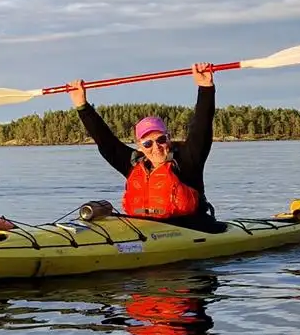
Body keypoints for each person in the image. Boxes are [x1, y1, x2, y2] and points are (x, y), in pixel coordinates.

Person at [69, 61, 220, 232]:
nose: (156, 147)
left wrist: (205, 87)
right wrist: (81, 105)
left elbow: (201, 126)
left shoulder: (187, 160)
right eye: (148, 143)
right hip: (144, 231)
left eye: (161, 139)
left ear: (169, 139)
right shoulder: (133, 163)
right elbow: (105, 141)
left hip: (191, 230)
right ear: (140, 146)